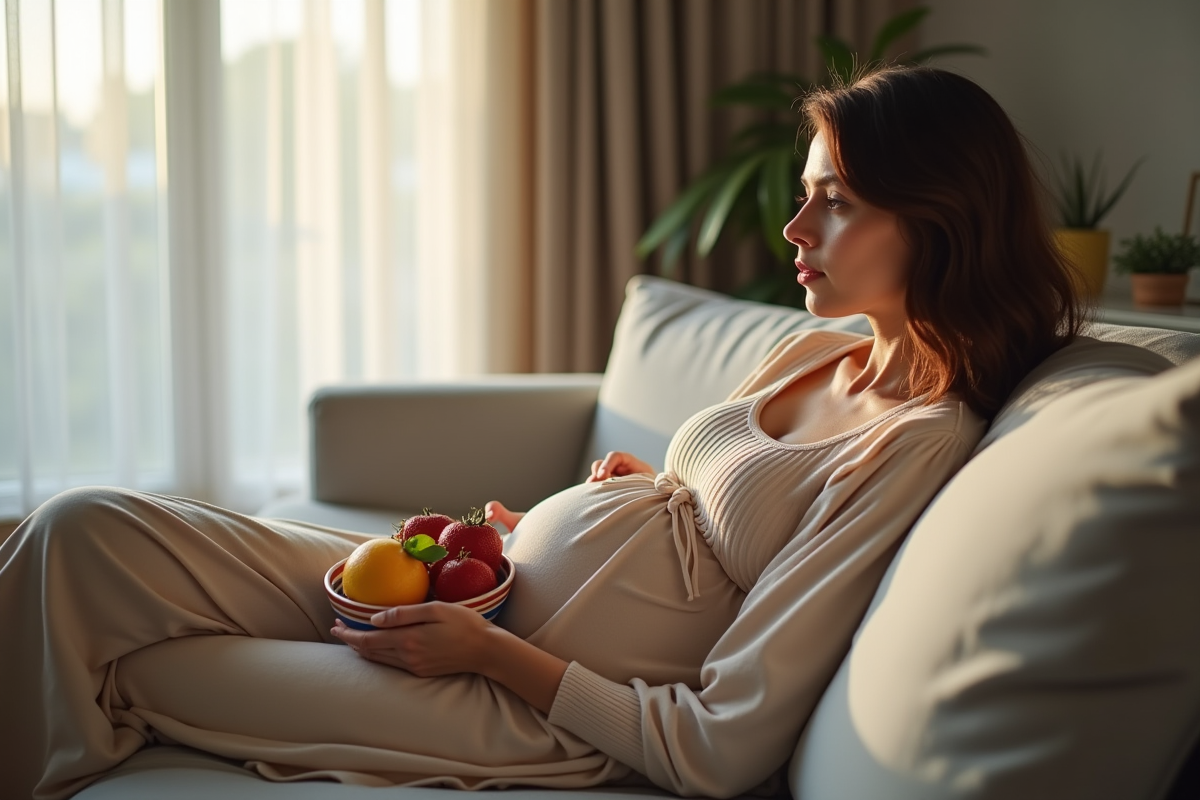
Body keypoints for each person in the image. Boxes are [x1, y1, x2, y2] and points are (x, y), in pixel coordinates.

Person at [0, 64, 1082, 800]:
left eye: (835, 201)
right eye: (806, 196)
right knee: (80, 531)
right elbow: (721, 522)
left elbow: (723, 741)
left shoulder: (917, 443)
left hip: (521, 699)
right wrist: (624, 492)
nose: (794, 228)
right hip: (477, 588)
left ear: (938, 216)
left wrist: (493, 651)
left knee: (139, 669)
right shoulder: (820, 348)